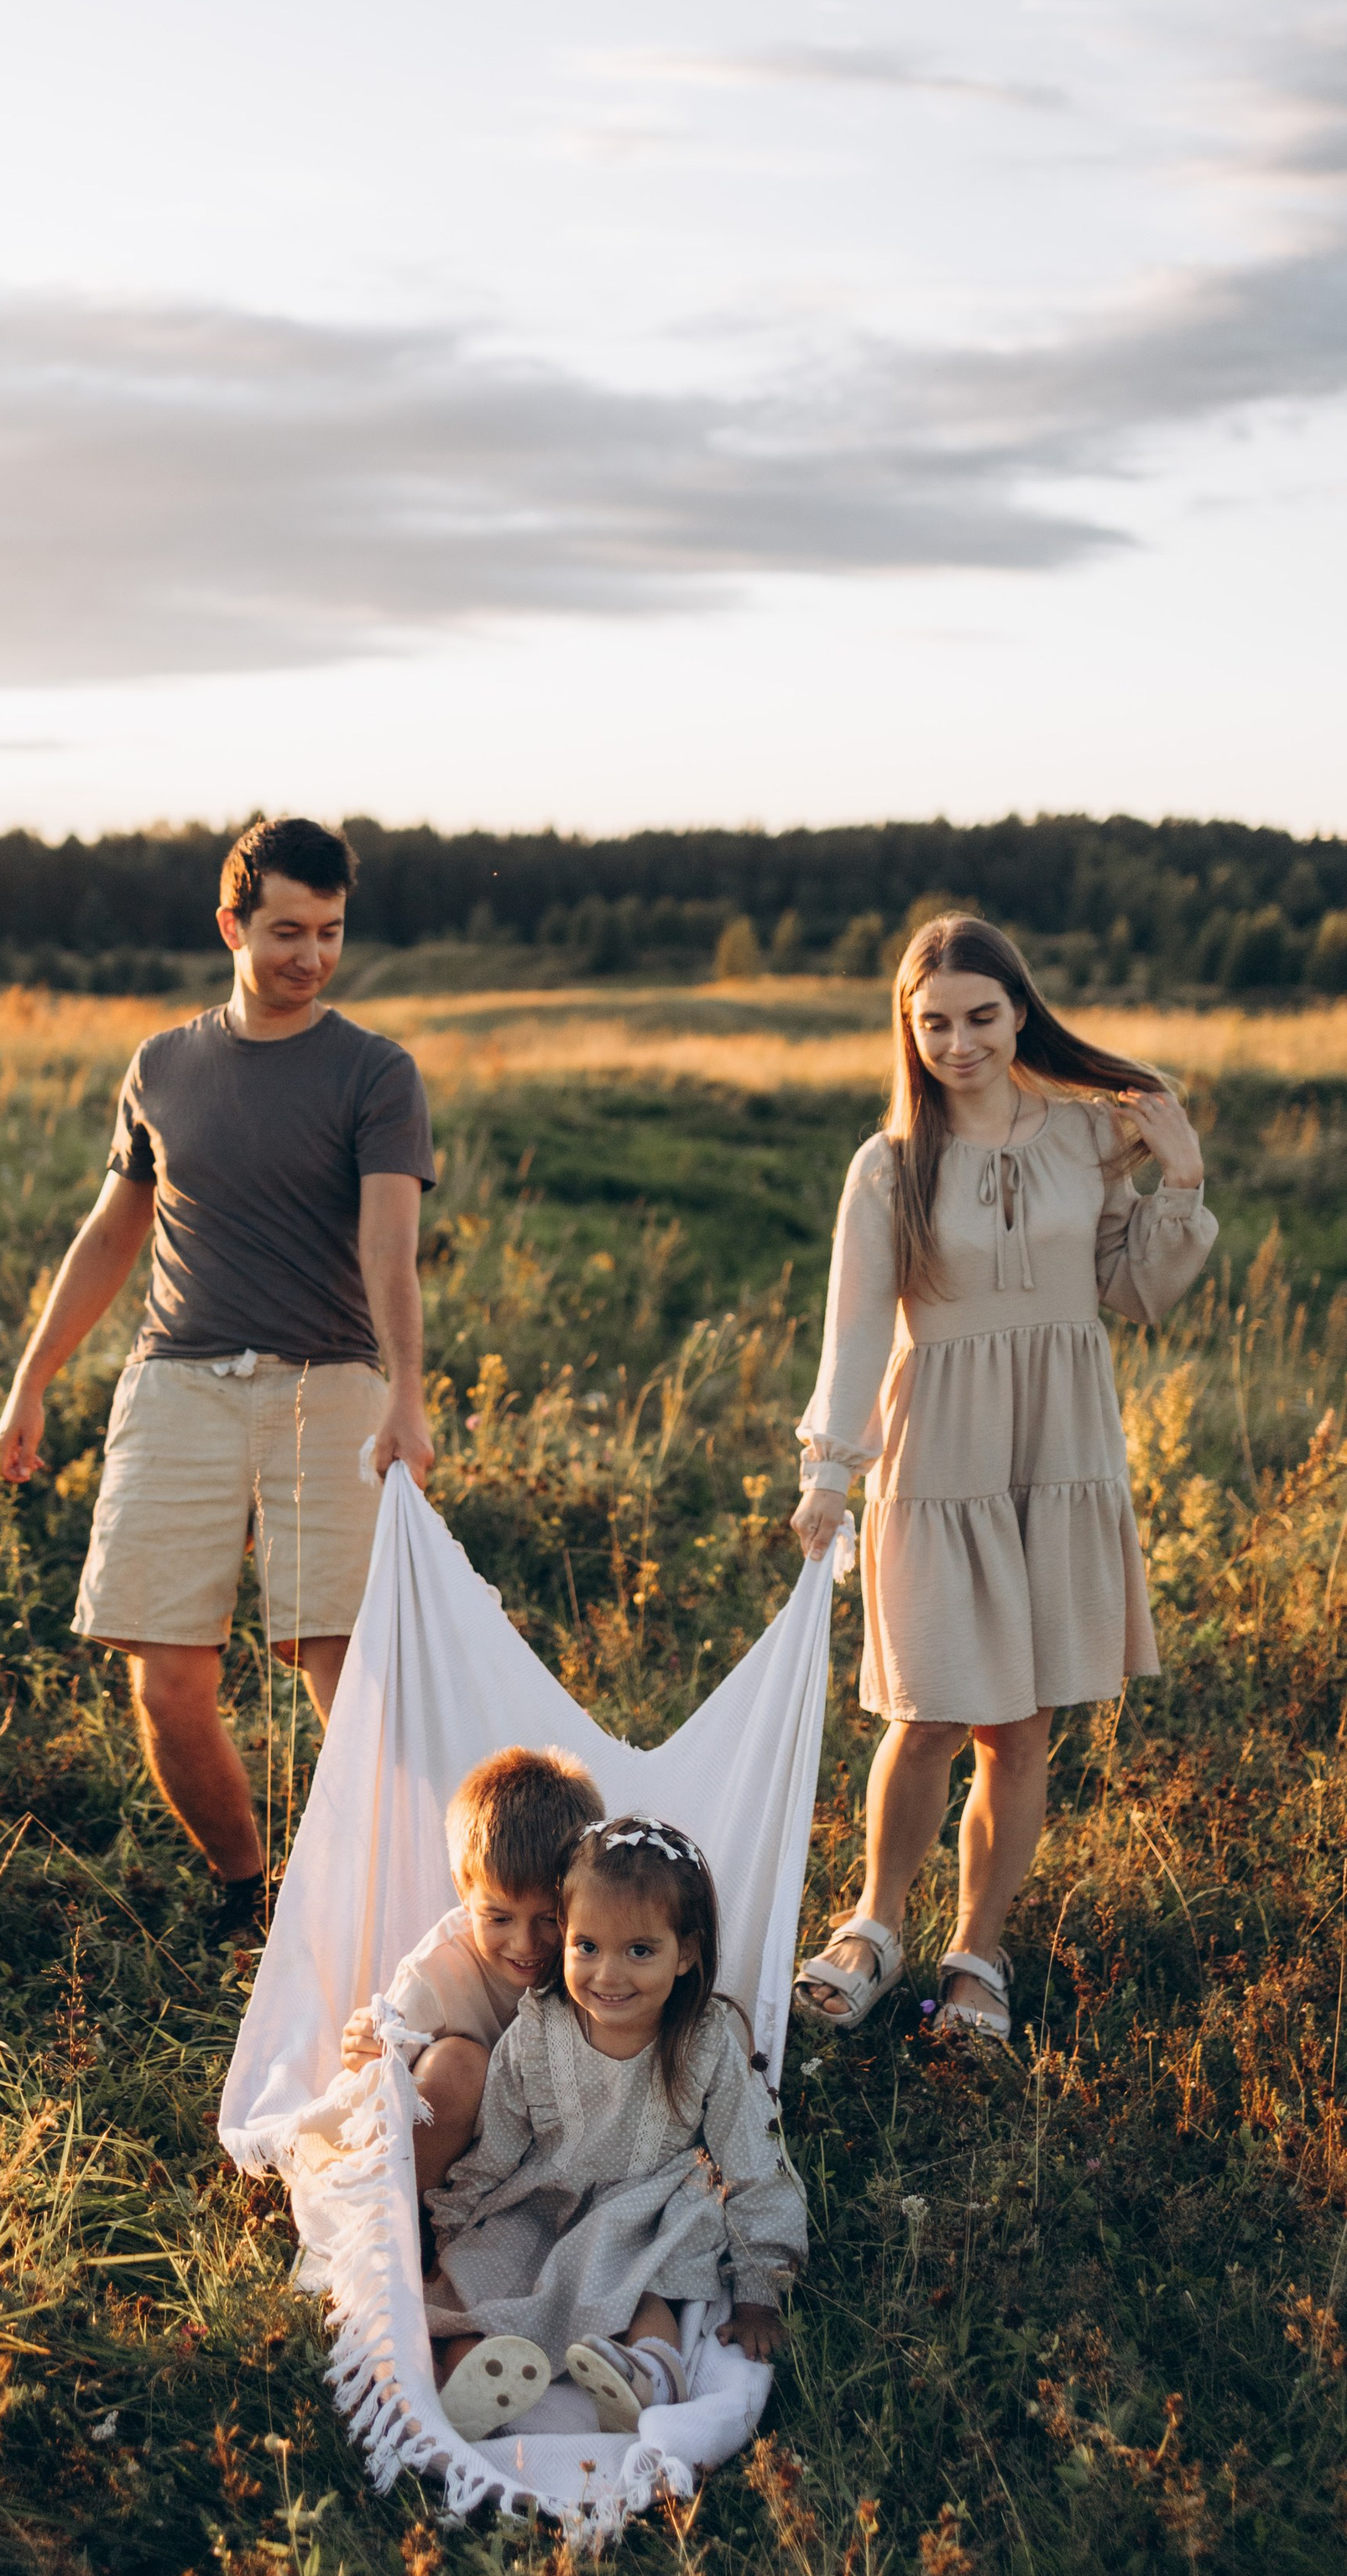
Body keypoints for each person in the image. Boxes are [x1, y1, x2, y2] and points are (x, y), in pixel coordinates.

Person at [0, 815, 436, 1940]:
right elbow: (112, 1233)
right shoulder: (163, 1066)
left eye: (331, 933)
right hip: (176, 1385)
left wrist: (406, 1394)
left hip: (326, 1385)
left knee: (342, 1677)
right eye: (288, 931)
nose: (312, 956)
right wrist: (33, 1379)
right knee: (167, 1685)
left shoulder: (377, 1073)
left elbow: (391, 1243)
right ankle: (250, 1894)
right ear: (232, 923)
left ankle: (388, 1910)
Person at [789, 913, 1216, 2044]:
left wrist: (1181, 1181)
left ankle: (978, 1955)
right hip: (939, 1449)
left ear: (1021, 1010)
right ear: (908, 1029)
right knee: (929, 1712)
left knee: (1019, 1728)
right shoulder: (888, 1164)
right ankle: (874, 1927)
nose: (959, 1042)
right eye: (933, 1023)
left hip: (1060, 1442)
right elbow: (851, 1332)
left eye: (980, 1017)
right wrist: (831, 1469)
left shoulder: (1087, 1138)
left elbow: (1135, 1291)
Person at [421, 1817, 807, 2446]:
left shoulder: (705, 2043)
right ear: (565, 1940)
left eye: (640, 1951)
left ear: (686, 1952)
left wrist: (760, 2289)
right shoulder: (538, 2032)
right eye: (588, 1947)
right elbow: (496, 2144)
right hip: (544, 2195)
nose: (608, 1975)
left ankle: (646, 2374)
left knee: (643, 2287)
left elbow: (752, 2162)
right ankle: (475, 2378)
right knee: (475, 2274)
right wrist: (453, 2221)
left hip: (647, 2204)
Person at [339, 1745, 605, 2197]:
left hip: (553, 2145)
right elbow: (376, 2085)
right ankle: (417, 2217)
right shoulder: (437, 1971)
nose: (525, 1945)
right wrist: (364, 2050)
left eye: (549, 1918)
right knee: (456, 2064)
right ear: (464, 1891)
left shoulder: (596, 1950)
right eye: (499, 1919)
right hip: (457, 2141)